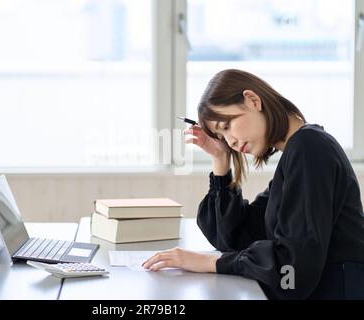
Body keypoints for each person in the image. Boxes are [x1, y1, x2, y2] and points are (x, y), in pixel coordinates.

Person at [142, 69, 364, 299]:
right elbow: (235, 236)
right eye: (221, 137)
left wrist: (211, 262)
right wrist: (220, 160)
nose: (231, 142)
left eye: (226, 127)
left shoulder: (309, 149)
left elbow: (293, 272)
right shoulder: (295, 154)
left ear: (253, 100)